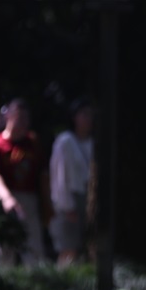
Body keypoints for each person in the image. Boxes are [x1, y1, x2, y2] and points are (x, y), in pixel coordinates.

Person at [0, 98, 49, 267]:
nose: (23, 122)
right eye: (18, 117)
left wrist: (47, 204)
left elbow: (43, 174)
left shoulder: (33, 143)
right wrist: (7, 198)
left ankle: (36, 282)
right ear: (8, 118)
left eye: (26, 118)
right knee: (1, 247)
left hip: (29, 199)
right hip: (2, 198)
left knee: (33, 246)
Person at [49, 99, 94, 267]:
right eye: (84, 114)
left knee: (85, 248)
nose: (88, 119)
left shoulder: (93, 142)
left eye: (90, 115)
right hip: (69, 200)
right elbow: (59, 176)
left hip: (89, 199)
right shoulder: (65, 141)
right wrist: (67, 206)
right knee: (68, 249)